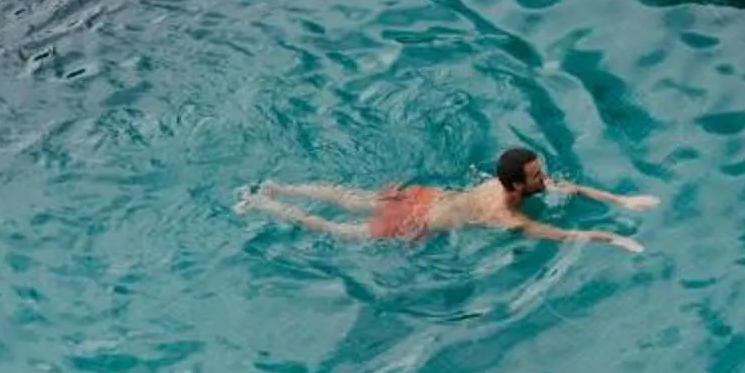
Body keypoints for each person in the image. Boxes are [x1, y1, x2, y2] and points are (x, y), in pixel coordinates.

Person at [241, 146, 654, 252]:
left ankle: (278, 186)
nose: (545, 180)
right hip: (416, 221)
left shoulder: (507, 185)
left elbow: (575, 188)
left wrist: (622, 201)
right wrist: (615, 239)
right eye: (536, 177)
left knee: (352, 198)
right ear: (514, 187)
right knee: (336, 227)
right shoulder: (505, 217)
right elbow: (562, 235)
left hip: (429, 197)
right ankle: (264, 202)